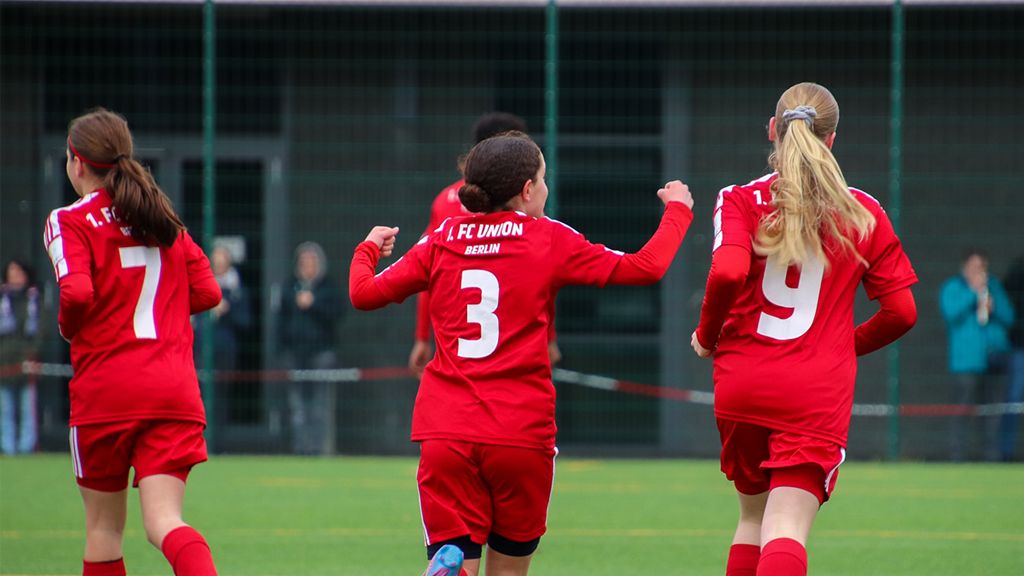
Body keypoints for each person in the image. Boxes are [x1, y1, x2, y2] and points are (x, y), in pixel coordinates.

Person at [350, 131, 694, 576]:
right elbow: (645, 266)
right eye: (543, 179)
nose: (546, 188)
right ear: (527, 189)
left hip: (446, 431)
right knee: (509, 570)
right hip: (519, 433)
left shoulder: (441, 237)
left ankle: (452, 568)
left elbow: (364, 293)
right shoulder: (547, 237)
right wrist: (678, 210)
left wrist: (368, 247)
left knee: (457, 555)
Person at [690, 82, 918, 576]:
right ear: (832, 139)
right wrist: (842, 346)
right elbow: (902, 312)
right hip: (813, 390)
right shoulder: (862, 210)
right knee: (786, 525)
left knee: (752, 519)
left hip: (743, 383)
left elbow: (727, 272)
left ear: (773, 130)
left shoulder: (739, 198)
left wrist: (706, 336)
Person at [43, 108, 221, 576]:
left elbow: (76, 293)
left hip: (107, 393)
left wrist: (70, 328)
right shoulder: (159, 218)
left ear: (77, 163)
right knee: (165, 523)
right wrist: (161, 311)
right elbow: (208, 292)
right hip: (172, 390)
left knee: (103, 532)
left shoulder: (69, 220)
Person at [409, 112, 562, 378]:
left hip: (457, 339)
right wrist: (549, 337)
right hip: (513, 340)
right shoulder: (521, 199)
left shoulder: (445, 201)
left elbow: (424, 272)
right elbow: (539, 278)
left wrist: (422, 337)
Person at [940, 249, 1014, 461]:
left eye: (982, 267)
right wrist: (973, 294)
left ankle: (992, 456)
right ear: (964, 268)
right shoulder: (954, 287)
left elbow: (1009, 317)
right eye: (974, 267)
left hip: (995, 357)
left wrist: (993, 307)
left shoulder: (994, 288)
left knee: (993, 409)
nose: (979, 272)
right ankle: (957, 455)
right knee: (962, 408)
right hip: (966, 361)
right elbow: (950, 313)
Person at [277, 241, 343, 455]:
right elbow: (280, 321)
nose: (308, 267)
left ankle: (319, 448)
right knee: (297, 405)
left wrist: (314, 304)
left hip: (321, 353)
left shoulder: (329, 287)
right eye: (304, 262)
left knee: (320, 404)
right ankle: (301, 448)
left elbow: (337, 313)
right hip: (295, 354)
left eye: (312, 262)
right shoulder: (289, 287)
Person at [0, 259, 45, 455]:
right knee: (5, 409)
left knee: (28, 409)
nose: (15, 276)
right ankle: (8, 448)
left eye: (19, 272)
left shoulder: (34, 300)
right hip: (4, 362)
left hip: (28, 362)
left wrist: (32, 353)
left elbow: (41, 329)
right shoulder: (2, 299)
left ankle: (27, 448)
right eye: (12, 272)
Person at [1001, 255, 1024, 461]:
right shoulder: (1018, 271)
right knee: (1013, 400)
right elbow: (1009, 312)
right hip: (1020, 346)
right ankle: (1005, 451)